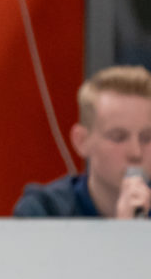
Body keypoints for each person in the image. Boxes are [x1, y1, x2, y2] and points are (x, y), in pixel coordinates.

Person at [13, 64, 151, 217]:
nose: (136, 153)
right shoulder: (44, 210)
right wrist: (125, 229)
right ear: (82, 141)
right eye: (118, 137)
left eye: (147, 137)